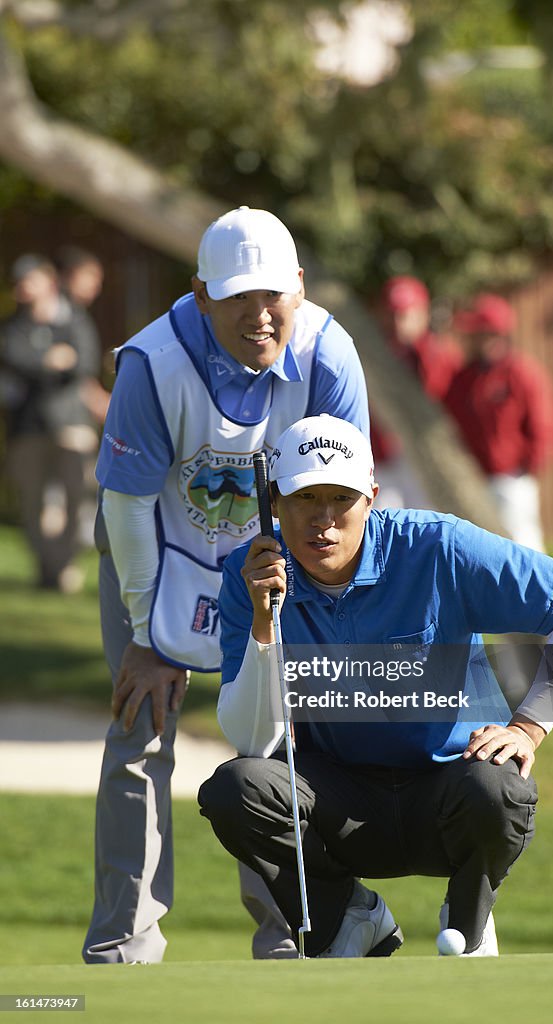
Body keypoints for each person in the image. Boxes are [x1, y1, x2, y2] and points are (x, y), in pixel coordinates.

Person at [198, 414, 553, 958]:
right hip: (337, 802)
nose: (323, 521)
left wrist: (529, 727)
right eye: (305, 499)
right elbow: (252, 741)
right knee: (238, 788)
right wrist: (263, 621)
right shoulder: (248, 575)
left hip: (449, 793)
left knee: (501, 790)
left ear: (371, 496)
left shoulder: (438, 546)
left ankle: (468, 920)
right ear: (274, 502)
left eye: (341, 500)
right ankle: (347, 919)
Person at [82, 207, 370, 965]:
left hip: (275, 554)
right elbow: (126, 509)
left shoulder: (330, 356)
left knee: (276, 735)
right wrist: (149, 638)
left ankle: (292, 937)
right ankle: (123, 946)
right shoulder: (153, 362)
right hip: (154, 543)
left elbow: (344, 499)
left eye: (273, 292)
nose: (258, 312)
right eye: (238, 295)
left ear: (300, 289)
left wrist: (305, 603)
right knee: (141, 729)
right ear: (200, 293)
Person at [0, 254, 103, 592]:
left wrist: (51, 364)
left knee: (77, 498)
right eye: (19, 282)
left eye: (30, 280)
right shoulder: (14, 327)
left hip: (71, 425)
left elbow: (84, 362)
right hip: (28, 428)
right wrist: (53, 361)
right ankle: (49, 569)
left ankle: (61, 565)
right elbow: (17, 361)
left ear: (49, 282)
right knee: (34, 502)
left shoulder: (74, 320)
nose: (23, 288)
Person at [443, 293, 553, 551]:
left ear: (495, 334)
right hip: (472, 479)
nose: (471, 339)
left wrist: (523, 467)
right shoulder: (464, 378)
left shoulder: (521, 374)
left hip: (510, 479)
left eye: (477, 333)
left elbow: (544, 428)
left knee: (522, 545)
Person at [370, 275, 462, 508]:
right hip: (383, 455)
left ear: (422, 314)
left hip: (425, 458)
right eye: (391, 313)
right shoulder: (372, 353)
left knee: (425, 522)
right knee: (383, 519)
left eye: (404, 314)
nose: (397, 322)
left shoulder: (439, 355)